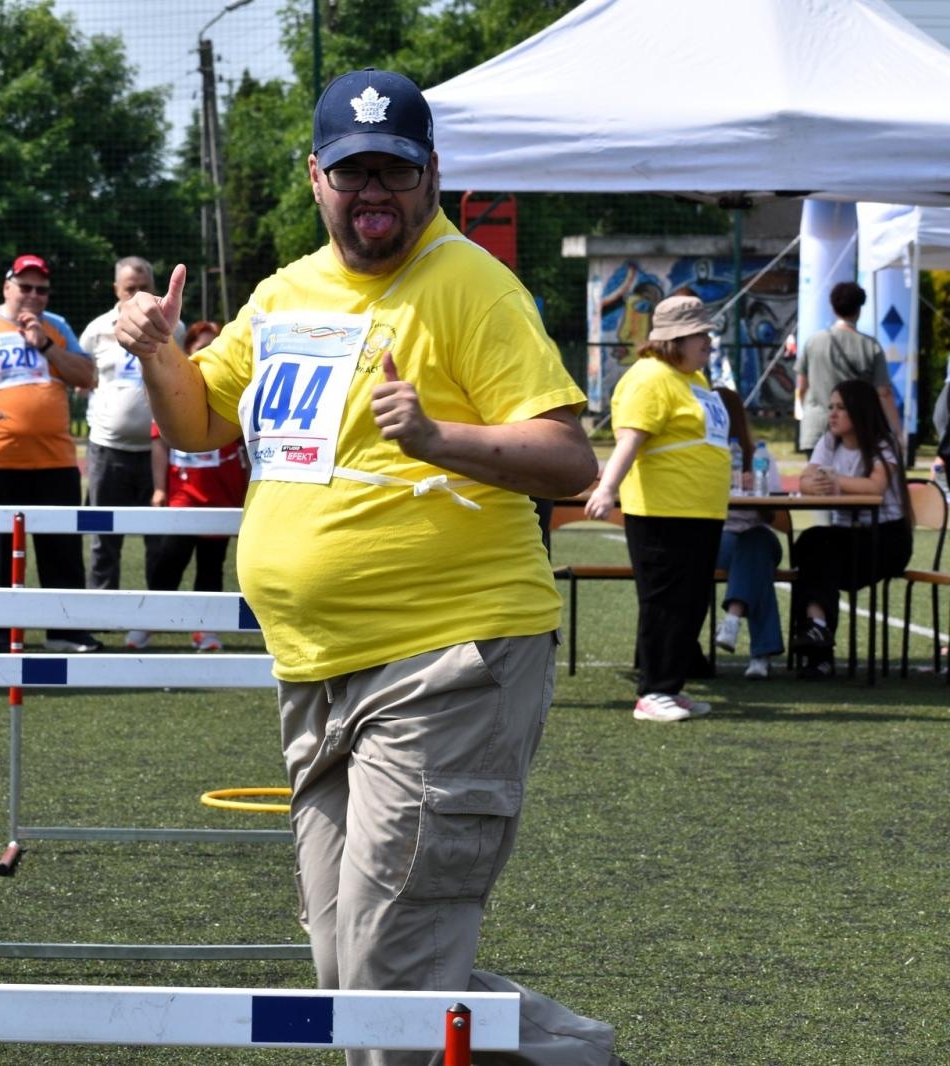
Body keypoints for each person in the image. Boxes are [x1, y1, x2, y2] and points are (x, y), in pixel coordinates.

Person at [117, 68, 618, 1066]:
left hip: (448, 660)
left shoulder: (474, 286)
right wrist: (156, 350)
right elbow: (201, 422)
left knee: (386, 982)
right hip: (315, 669)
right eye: (352, 173)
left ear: (432, 173)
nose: (372, 192)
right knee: (350, 968)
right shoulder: (285, 293)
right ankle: (570, 1055)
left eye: (394, 170)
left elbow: (569, 459)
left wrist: (437, 438)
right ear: (316, 177)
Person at [587, 294, 729, 723]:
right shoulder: (650, 377)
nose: (708, 342)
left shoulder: (694, 379)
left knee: (691, 603)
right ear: (676, 339)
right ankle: (652, 693)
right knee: (665, 603)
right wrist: (607, 488)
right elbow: (630, 439)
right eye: (700, 335)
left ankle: (670, 686)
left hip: (700, 512)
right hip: (662, 512)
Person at [0, 254, 101, 652]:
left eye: (42, 289)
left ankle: (65, 631)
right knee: (1, 552)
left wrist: (46, 345)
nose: (34, 295)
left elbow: (86, 376)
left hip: (57, 461)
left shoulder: (57, 327)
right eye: (25, 287)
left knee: (63, 550)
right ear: (7, 287)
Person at [125, 319, 244, 652]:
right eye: (201, 345)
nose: (209, 350)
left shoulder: (233, 388)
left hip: (221, 495)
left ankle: (205, 630)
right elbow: (159, 443)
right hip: (183, 495)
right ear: (189, 350)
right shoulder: (176, 389)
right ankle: (147, 623)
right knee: (170, 561)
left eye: (215, 344)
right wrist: (159, 488)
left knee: (211, 566)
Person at [790, 378, 914, 679]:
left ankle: (819, 650)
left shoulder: (883, 443)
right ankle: (817, 629)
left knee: (820, 549)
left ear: (860, 411)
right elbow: (805, 481)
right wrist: (815, 484)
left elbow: (875, 487)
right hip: (846, 536)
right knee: (810, 545)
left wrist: (832, 480)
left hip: (886, 538)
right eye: (831, 407)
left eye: (841, 408)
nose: (832, 414)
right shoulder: (829, 441)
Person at [78, 256, 181, 590]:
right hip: (108, 449)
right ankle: (99, 609)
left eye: (143, 287)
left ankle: (158, 608)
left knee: (159, 539)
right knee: (103, 538)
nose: (137, 294)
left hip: (158, 451)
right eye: (129, 288)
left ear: (154, 287)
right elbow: (83, 377)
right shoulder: (96, 330)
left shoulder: (174, 326)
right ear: (116, 289)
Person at [711, 387, 783, 680]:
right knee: (756, 560)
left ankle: (732, 619)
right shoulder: (701, 455)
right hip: (717, 537)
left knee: (756, 543)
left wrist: (756, 489)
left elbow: (773, 513)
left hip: (756, 533)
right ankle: (760, 656)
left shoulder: (760, 455)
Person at [795, 281, 902, 455]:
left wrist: (805, 410)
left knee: (818, 471)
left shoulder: (813, 342)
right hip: (855, 429)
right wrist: (897, 431)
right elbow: (884, 392)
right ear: (859, 309)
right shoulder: (870, 346)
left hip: (817, 427)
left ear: (832, 308)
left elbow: (801, 387)